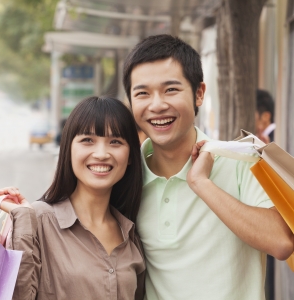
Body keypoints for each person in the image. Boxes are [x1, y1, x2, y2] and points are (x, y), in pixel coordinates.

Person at [122, 34, 293, 300]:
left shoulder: (241, 159)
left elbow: (282, 242)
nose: (156, 105)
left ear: (199, 93)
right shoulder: (126, 174)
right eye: (142, 93)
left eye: (171, 89)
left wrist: (202, 184)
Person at [0, 96, 146, 299]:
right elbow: (17, 295)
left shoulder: (131, 234)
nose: (101, 154)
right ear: (68, 150)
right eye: (87, 140)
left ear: (130, 157)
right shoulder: (39, 221)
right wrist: (22, 218)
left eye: (115, 142)